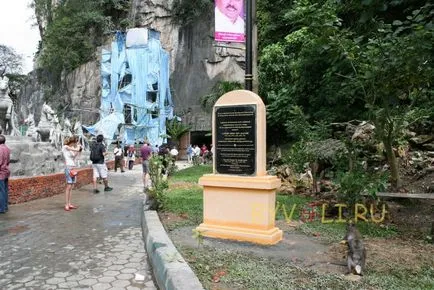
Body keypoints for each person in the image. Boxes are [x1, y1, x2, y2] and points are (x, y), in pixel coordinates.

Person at [62, 136, 81, 211]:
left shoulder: (71, 150)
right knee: (68, 186)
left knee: (71, 187)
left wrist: (79, 151)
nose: (75, 144)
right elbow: (75, 149)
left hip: (73, 168)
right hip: (68, 168)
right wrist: (78, 147)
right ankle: (66, 204)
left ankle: (69, 203)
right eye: (74, 143)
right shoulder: (65, 147)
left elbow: (75, 156)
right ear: (72, 142)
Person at [0, 135, 10, 214]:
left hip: (1, 172)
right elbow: (8, 161)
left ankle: (1, 208)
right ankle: (5, 206)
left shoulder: (0, 149)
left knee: (1, 191)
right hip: (6, 171)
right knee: (5, 190)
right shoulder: (7, 148)